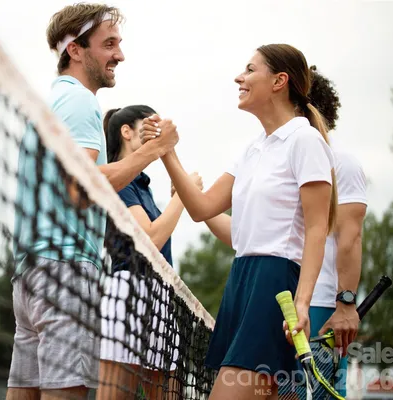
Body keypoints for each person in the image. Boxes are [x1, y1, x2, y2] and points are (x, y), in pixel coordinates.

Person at [140, 43, 337, 399]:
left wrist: (303, 302)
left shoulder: (305, 140)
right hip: (241, 279)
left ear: (279, 81)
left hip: (275, 284)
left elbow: (317, 229)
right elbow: (201, 208)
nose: (239, 77)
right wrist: (166, 152)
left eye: (249, 69)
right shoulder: (251, 148)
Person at [7, 4, 179, 400]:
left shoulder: (51, 102)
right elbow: (81, 191)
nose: (119, 55)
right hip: (65, 269)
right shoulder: (82, 102)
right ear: (76, 50)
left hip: (29, 272)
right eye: (109, 44)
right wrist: (154, 151)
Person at [193, 67, 368, 398]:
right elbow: (247, 235)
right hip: (277, 297)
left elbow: (349, 237)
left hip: (316, 305)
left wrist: (345, 303)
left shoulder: (337, 159)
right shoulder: (265, 151)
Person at [97, 105, 203, 399]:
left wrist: (176, 199)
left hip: (161, 296)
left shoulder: (143, 186)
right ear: (127, 132)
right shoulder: (120, 182)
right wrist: (182, 197)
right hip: (129, 291)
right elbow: (150, 240)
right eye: (148, 123)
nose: (156, 129)